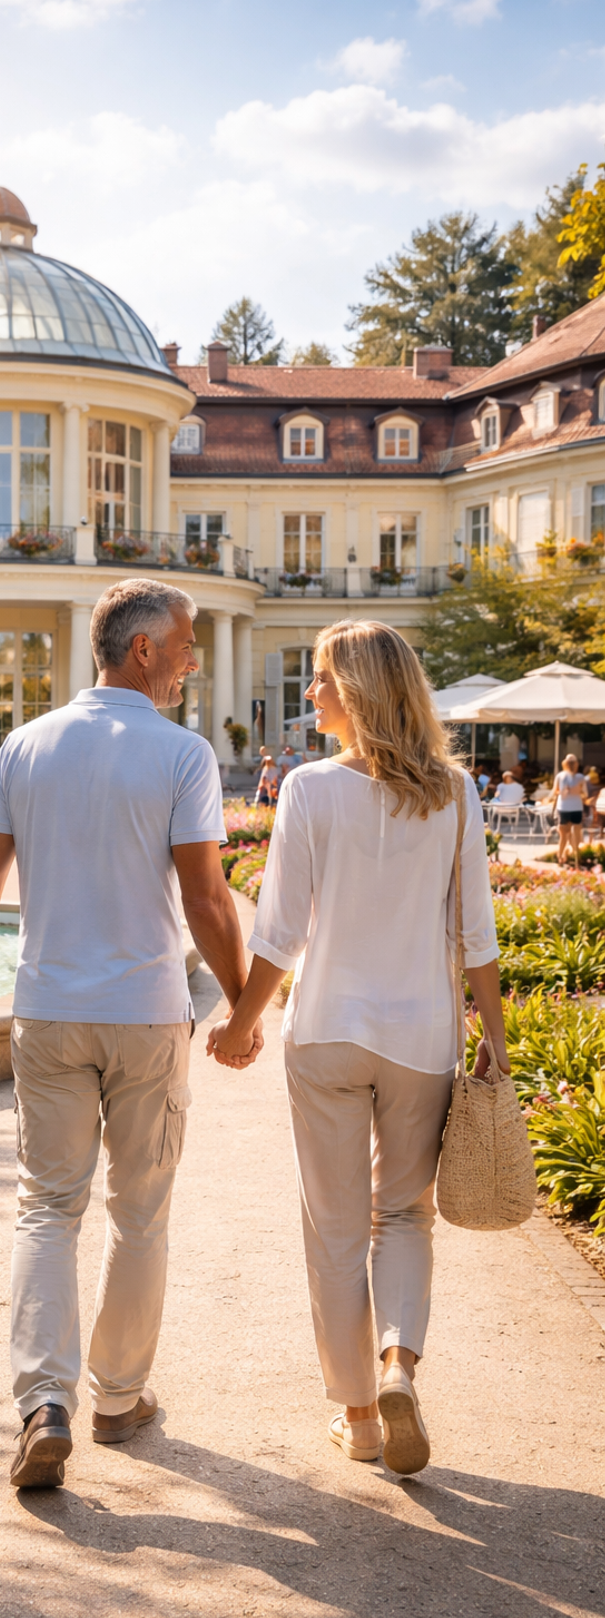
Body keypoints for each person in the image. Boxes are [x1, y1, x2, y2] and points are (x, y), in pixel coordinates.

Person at [0, 578, 258, 1491]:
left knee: (47, 1207)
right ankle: (118, 1398)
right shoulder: (181, 754)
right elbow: (206, 898)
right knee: (140, 1211)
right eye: (187, 643)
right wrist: (241, 1001)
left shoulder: (26, 744)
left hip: (48, 1009)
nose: (194, 658)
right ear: (143, 650)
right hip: (145, 1013)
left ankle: (44, 1402)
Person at [208, 619, 505, 1476]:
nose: (311, 696)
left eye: (323, 680)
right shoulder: (453, 791)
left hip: (329, 1032)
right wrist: (497, 1045)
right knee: (404, 1215)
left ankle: (362, 1420)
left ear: (363, 689)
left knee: (336, 1232)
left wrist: (239, 1024)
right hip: (421, 1037)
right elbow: (475, 936)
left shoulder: (308, 790)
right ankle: (400, 1363)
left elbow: (280, 929)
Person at [555, 752, 590, 865]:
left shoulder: (560, 776)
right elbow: (585, 794)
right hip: (576, 807)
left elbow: (555, 792)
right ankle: (576, 861)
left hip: (564, 807)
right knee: (575, 835)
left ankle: (561, 858)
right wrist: (577, 792)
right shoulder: (580, 778)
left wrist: (563, 792)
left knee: (564, 836)